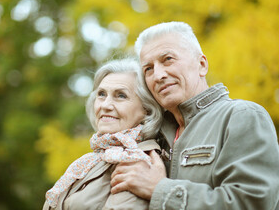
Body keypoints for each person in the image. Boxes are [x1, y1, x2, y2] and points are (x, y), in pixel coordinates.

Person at [110, 21, 279, 210]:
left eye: (168, 59)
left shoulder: (242, 117)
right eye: (148, 69)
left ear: (201, 65)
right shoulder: (151, 135)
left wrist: (160, 189)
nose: (158, 75)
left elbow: (253, 203)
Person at [43, 57, 164, 210]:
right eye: (101, 94)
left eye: (121, 95)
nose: (105, 105)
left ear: (146, 109)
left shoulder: (136, 159)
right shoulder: (96, 158)